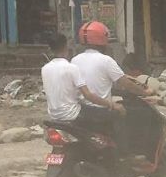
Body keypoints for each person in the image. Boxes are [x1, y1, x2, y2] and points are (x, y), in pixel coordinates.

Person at [71, 21, 147, 151]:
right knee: (126, 114)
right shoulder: (106, 60)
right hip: (101, 111)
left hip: (82, 109)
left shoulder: (75, 59)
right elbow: (126, 83)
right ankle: (124, 154)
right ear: (103, 39)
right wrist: (144, 92)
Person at [42, 32, 124, 133]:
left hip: (54, 115)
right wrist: (110, 104)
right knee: (115, 113)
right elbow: (88, 95)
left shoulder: (44, 69)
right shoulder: (71, 68)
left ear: (50, 49)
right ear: (66, 47)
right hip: (73, 114)